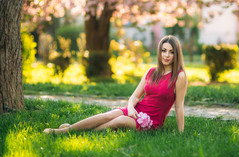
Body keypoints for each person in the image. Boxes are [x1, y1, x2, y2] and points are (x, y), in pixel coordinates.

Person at [43, 35, 188, 134]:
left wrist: (181, 133)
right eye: (163, 51)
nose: (166, 55)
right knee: (109, 115)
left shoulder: (179, 76)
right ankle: (66, 131)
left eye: (171, 52)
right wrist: (130, 107)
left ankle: (78, 131)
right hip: (136, 110)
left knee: (119, 121)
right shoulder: (151, 72)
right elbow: (135, 96)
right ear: (159, 52)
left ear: (177, 55)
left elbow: (179, 106)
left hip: (151, 121)